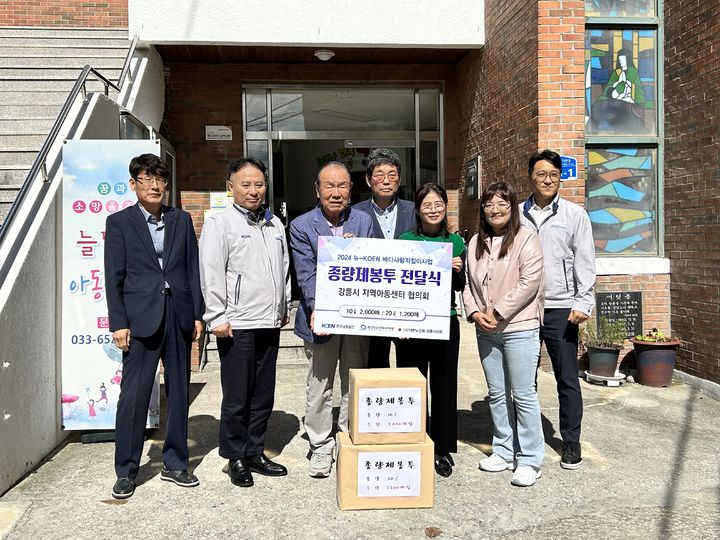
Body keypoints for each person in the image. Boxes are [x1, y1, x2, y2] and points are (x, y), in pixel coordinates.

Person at [104, 153, 203, 499]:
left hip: (178, 317)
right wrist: (119, 322)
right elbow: (113, 278)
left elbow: (192, 270)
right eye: (147, 179)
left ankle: (175, 464)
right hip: (139, 321)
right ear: (134, 184)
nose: (155, 185)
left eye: (160, 178)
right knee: (132, 397)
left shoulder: (181, 220)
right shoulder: (119, 224)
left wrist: (197, 315)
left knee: (178, 394)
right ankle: (126, 470)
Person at [199, 157, 291, 488]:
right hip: (235, 323)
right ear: (231, 187)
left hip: (268, 320)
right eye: (246, 184)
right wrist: (216, 316)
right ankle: (234, 456)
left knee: (264, 393)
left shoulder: (274, 224)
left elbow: (283, 268)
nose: (254, 190)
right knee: (238, 395)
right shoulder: (220, 223)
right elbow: (210, 271)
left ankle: (255, 450)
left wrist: (283, 306)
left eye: (259, 184)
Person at [289, 162, 373, 478]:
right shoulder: (301, 225)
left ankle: (348, 439)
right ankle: (321, 446)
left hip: (355, 319)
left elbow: (377, 264)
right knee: (319, 386)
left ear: (351, 190)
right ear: (318, 190)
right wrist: (319, 310)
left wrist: (357, 251)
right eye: (329, 186)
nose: (336, 193)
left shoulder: (364, 222)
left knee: (353, 381)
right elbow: (306, 273)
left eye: (342, 186)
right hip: (319, 319)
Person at [463, 181, 546, 487]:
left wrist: (497, 313)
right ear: (482, 210)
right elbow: (469, 287)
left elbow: (529, 283)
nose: (495, 210)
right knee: (498, 394)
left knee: (523, 395)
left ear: (512, 207)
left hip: (519, 327)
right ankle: (503, 450)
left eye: (502, 204)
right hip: (486, 330)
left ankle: (530, 459)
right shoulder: (475, 243)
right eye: (489, 205)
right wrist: (474, 313)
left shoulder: (526, 238)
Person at [520, 149, 596, 470]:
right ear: (531, 178)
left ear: (559, 176)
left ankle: (571, 442)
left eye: (553, 174)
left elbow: (585, 261)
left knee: (566, 378)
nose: (548, 179)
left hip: (560, 308)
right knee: (524, 380)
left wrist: (583, 301)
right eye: (541, 174)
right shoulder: (516, 213)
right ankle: (527, 440)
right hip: (523, 308)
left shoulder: (574, 215)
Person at [396, 183, 466, 478]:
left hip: (444, 320)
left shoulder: (456, 242)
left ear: (445, 207)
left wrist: (458, 270)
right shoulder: (405, 240)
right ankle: (412, 439)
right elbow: (396, 283)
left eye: (438, 204)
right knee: (412, 385)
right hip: (412, 322)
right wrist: (397, 322)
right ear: (418, 209)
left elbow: (461, 288)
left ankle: (441, 447)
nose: (433, 209)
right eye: (427, 204)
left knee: (444, 384)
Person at [353, 148, 416, 369]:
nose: (386, 180)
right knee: (374, 366)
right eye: (379, 174)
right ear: (368, 180)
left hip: (407, 306)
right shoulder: (354, 215)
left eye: (392, 174)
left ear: (399, 179)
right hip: (372, 307)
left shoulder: (415, 211)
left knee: (410, 366)